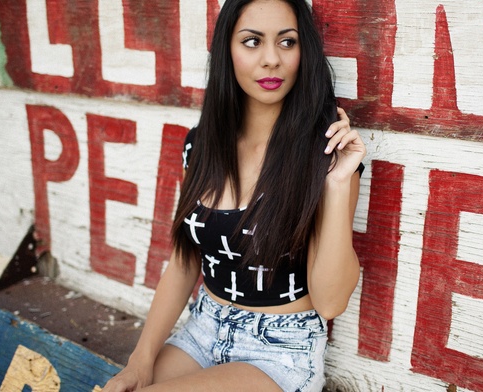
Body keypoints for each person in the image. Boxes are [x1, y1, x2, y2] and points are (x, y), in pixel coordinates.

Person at [102, 0, 365, 390]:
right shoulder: (202, 145)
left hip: (278, 350)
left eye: (287, 42)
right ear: (227, 50)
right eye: (252, 41)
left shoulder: (325, 154)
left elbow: (330, 303)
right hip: (202, 328)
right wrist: (139, 360)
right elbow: (183, 262)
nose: (271, 59)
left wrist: (340, 182)